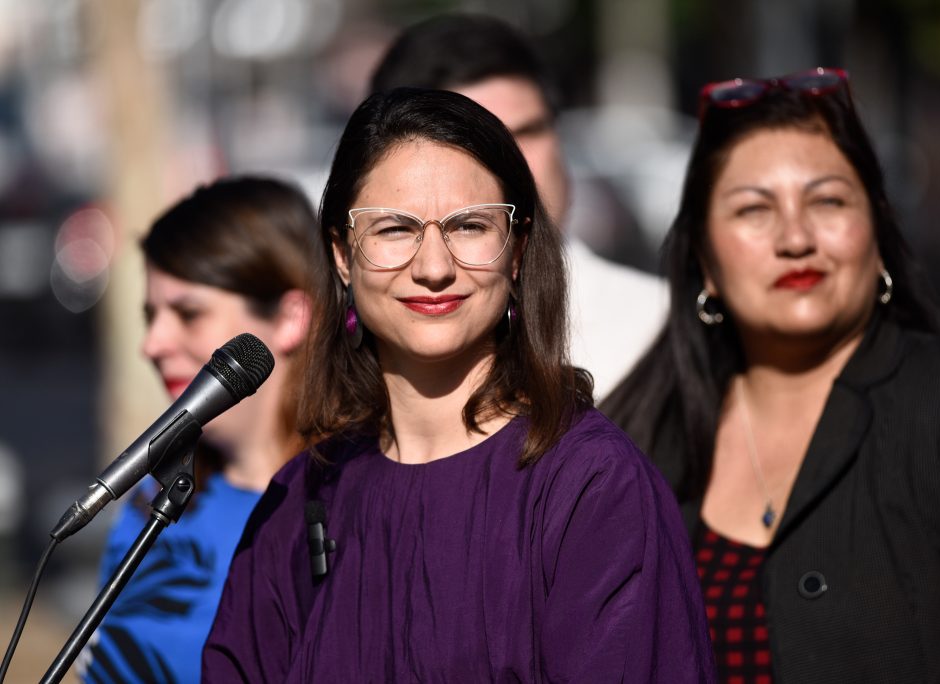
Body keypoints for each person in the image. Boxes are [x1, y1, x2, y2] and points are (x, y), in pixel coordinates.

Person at [202, 87, 714, 682]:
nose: (434, 266)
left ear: (517, 252)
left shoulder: (592, 488)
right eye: (394, 229)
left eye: (469, 226)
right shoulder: (303, 496)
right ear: (343, 255)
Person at [601, 67, 940, 682]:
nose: (796, 238)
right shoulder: (642, 444)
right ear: (705, 263)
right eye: (754, 210)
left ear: (876, 232)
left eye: (827, 200)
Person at [78, 176, 317, 683]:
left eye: (188, 313)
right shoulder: (153, 494)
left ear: (291, 317)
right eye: (150, 316)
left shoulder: (350, 501)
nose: (153, 343)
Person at [369, 13, 668, 400]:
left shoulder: (661, 325)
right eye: (474, 142)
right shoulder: (328, 354)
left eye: (527, 132)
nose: (513, 162)